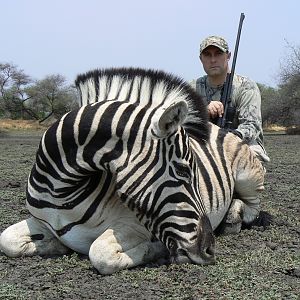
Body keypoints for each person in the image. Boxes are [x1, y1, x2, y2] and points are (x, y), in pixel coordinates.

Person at [190, 35, 270, 162]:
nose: (213, 60)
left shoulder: (246, 87)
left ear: (228, 56)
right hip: (204, 145)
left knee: (250, 161)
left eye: (218, 54)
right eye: (207, 55)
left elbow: (251, 126)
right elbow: (182, 122)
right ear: (201, 59)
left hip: (242, 144)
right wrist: (203, 111)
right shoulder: (192, 88)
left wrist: (225, 139)